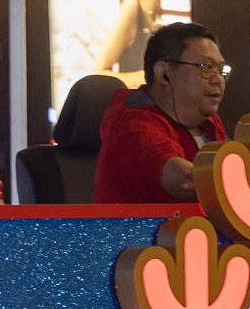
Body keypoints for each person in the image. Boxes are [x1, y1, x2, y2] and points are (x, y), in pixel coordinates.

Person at [92, 23, 228, 203]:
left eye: (220, 70)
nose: (218, 79)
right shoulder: (131, 123)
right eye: (206, 67)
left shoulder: (210, 122)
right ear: (163, 73)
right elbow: (184, 180)